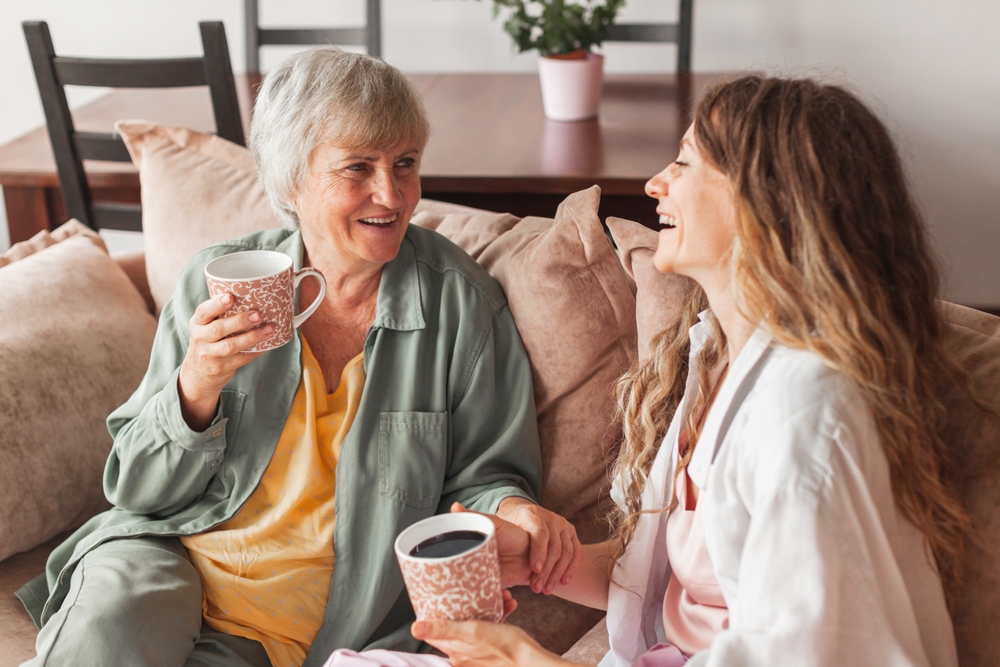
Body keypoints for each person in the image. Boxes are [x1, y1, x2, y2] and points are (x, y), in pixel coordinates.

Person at [17, 47, 581, 667]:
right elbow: (135, 489)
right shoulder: (216, 284)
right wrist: (196, 385)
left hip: (312, 623)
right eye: (358, 167)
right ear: (291, 179)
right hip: (167, 558)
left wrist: (517, 508)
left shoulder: (462, 308)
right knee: (109, 628)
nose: (390, 194)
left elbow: (484, 477)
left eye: (405, 163)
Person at [405, 75, 987, 666]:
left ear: (765, 202)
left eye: (683, 163)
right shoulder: (718, 357)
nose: (655, 183)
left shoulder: (806, 411)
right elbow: (661, 587)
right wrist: (533, 557)